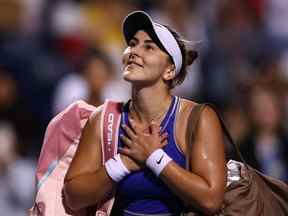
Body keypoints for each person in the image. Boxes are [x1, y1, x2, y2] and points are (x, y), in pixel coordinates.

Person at [63, 11, 226, 216]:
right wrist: (124, 163)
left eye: (148, 47)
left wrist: (154, 158)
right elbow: (73, 196)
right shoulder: (103, 118)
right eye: (132, 43)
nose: (134, 51)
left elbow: (211, 200)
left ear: (169, 70)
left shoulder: (199, 118)